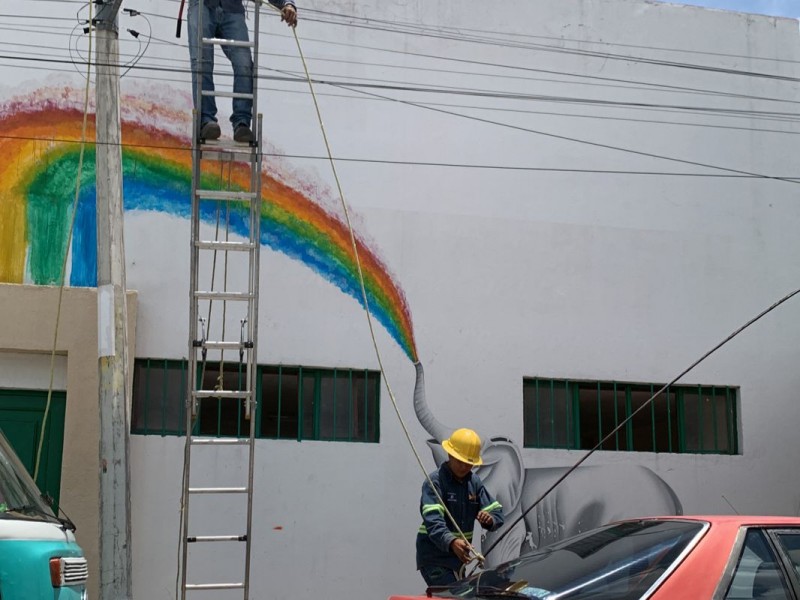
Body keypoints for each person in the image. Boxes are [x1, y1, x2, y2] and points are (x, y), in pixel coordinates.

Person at [187, 0, 298, 143]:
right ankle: (206, 121)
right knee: (201, 62)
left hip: (232, 8)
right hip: (202, 5)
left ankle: (242, 123)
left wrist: (287, 4)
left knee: (244, 63)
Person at [416, 428, 504, 587]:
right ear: (449, 455)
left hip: (457, 562)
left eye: (469, 463)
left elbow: (496, 512)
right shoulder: (435, 482)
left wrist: (489, 519)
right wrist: (452, 542)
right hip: (434, 559)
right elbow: (434, 521)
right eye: (460, 461)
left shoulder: (474, 482)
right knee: (454, 595)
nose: (464, 467)